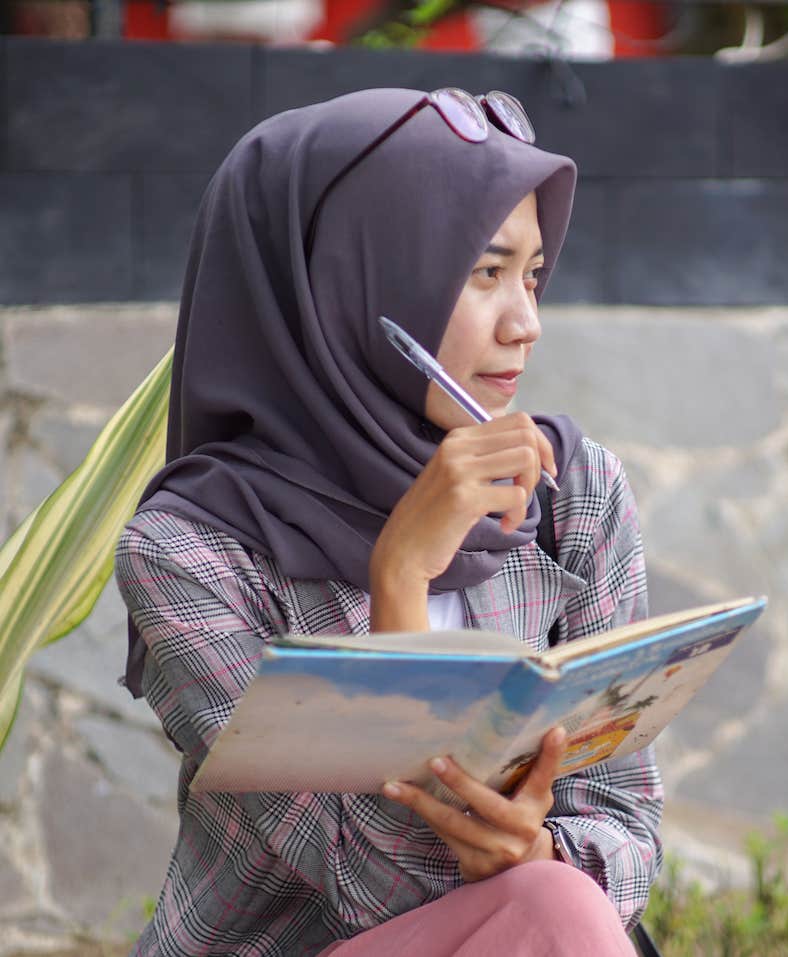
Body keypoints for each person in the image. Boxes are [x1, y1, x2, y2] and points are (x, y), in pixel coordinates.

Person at [116, 87, 663, 957]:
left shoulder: (568, 490)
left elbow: (628, 815)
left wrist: (546, 847)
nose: (527, 324)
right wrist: (399, 577)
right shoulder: (190, 551)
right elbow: (374, 885)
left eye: (532, 274)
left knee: (557, 900)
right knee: (554, 909)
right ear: (354, 283)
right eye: (485, 272)